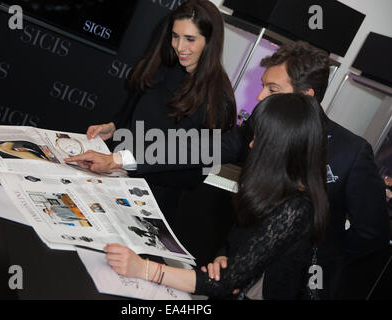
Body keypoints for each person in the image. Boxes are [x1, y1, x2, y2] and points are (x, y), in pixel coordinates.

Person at [104, 93, 329, 299]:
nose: (251, 144)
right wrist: (226, 258)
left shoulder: (296, 208)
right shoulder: (272, 186)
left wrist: (143, 269)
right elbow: (242, 243)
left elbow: (226, 283)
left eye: (260, 138)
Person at [216, 41, 390, 299]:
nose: (260, 96)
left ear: (306, 96)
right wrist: (141, 153)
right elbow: (214, 149)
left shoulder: (351, 152)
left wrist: (315, 255)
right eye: (263, 85)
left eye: (272, 88)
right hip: (239, 269)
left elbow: (371, 231)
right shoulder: (260, 123)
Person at [65, 0, 236, 223]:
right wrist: (116, 124)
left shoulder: (218, 99)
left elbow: (192, 174)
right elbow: (138, 101)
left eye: (190, 39)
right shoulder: (163, 65)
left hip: (150, 202)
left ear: (210, 41)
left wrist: (127, 165)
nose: (180, 47)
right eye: (175, 36)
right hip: (109, 177)